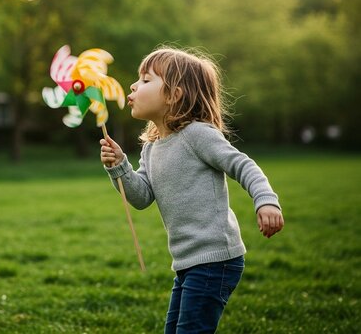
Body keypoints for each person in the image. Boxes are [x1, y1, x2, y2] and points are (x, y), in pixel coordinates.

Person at [100, 46, 284, 333]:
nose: (134, 86)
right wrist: (120, 166)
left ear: (174, 95)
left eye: (147, 80)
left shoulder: (197, 135)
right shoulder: (151, 148)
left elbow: (243, 165)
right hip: (187, 261)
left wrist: (266, 201)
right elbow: (140, 197)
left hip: (215, 259)